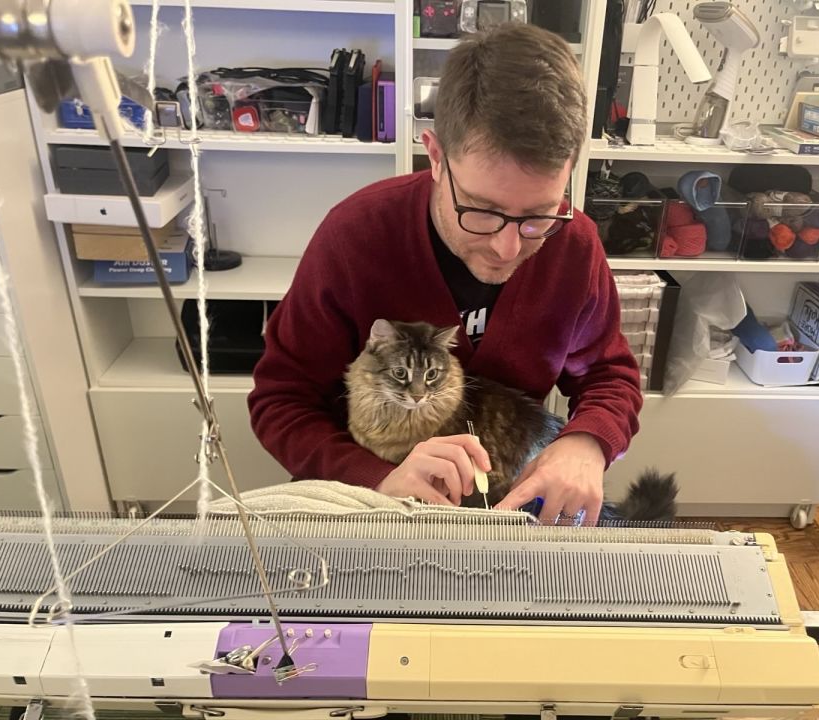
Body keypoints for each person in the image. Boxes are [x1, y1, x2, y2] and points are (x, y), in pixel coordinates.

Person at [248, 22, 643, 525]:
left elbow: (610, 376)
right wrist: (374, 477)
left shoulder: (575, 243)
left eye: (539, 215)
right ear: (435, 156)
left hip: (508, 508)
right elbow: (281, 401)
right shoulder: (356, 235)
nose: (508, 247)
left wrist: (587, 442)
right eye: (481, 210)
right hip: (371, 501)